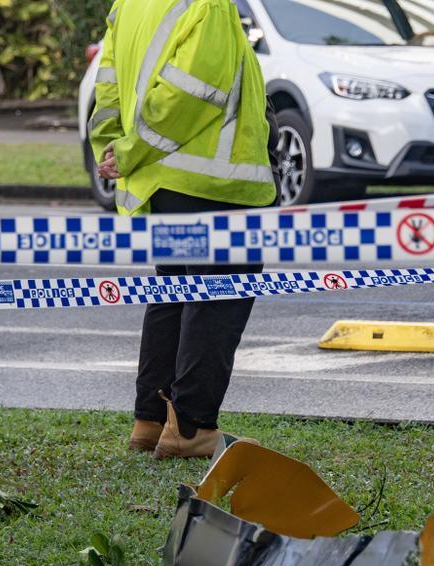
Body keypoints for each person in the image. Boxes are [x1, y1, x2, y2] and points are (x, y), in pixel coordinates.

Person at [89, 0, 278, 459]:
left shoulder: (130, 5)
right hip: (213, 180)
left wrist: (115, 146)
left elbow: (108, 88)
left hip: (163, 180)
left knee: (173, 292)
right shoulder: (208, 4)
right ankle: (192, 428)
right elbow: (195, 94)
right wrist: (132, 149)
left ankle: (151, 421)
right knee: (218, 297)